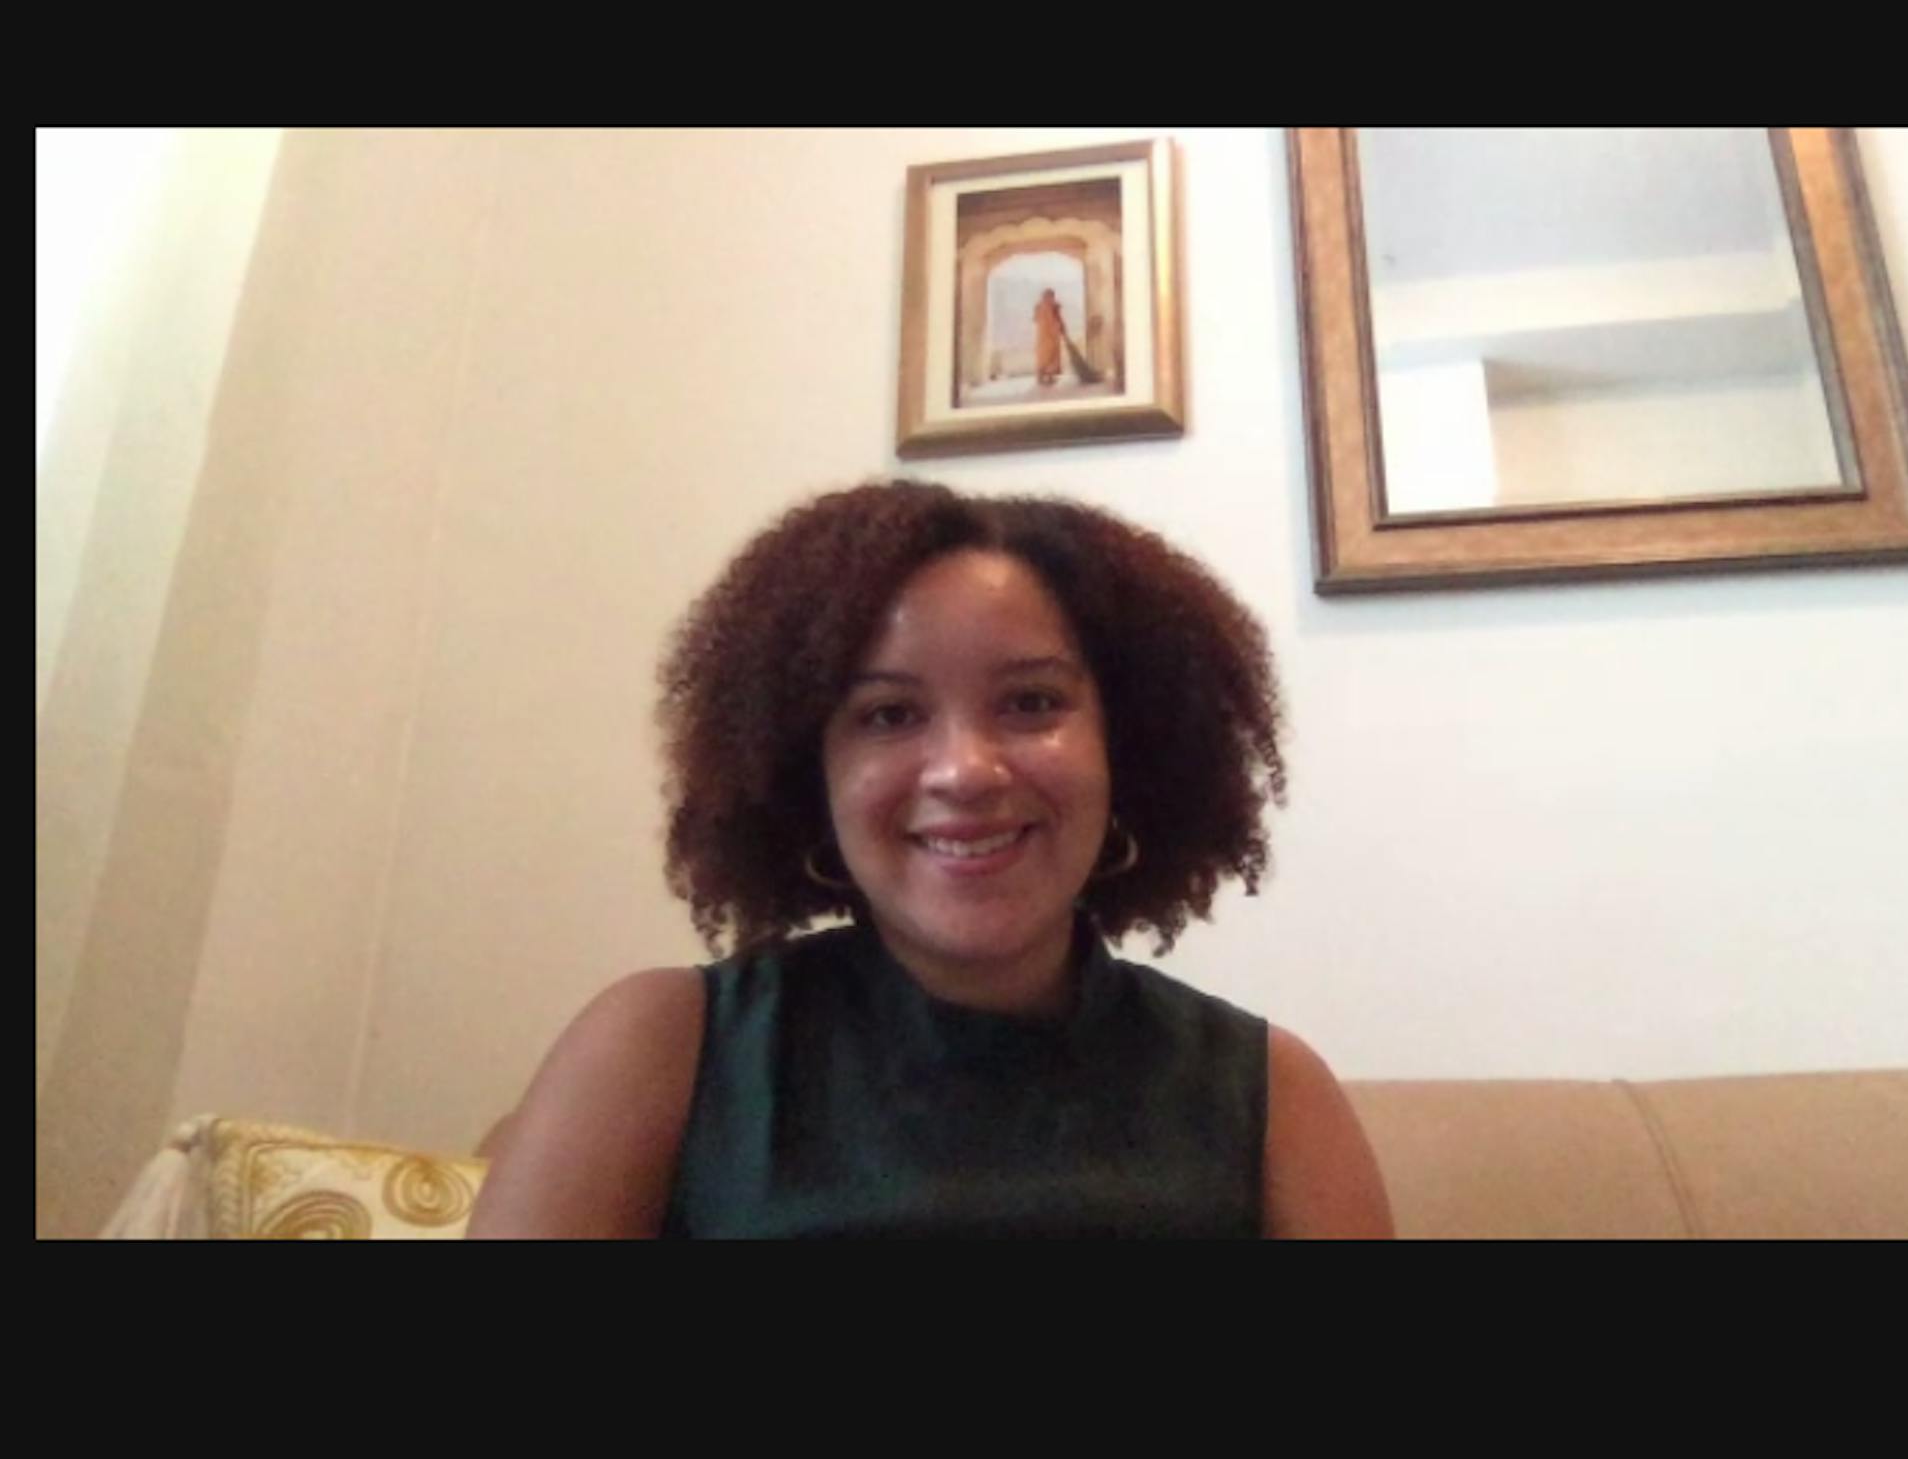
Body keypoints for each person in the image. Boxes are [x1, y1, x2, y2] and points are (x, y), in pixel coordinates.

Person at [472, 481, 1391, 1236]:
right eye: (888, 714)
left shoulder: (1272, 1096)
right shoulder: (663, 1048)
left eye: (1031, 703)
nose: (965, 771)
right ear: (808, 771)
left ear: (1129, 746)